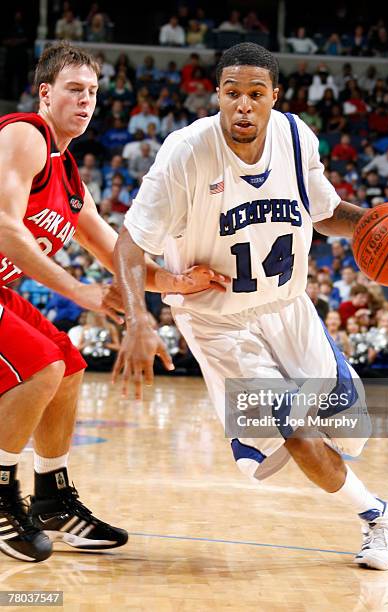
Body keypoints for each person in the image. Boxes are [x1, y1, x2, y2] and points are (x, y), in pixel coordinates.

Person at [114, 44, 388, 570]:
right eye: (232, 93)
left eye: (255, 94)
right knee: (287, 429)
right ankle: (376, 516)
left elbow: (326, 213)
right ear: (217, 95)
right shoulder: (186, 152)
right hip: (217, 321)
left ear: (274, 97)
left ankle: (360, 488)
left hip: (289, 308)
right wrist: (138, 319)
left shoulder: (295, 137)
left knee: (347, 430)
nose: (243, 105)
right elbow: (130, 244)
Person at [0, 41, 227, 563]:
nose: (86, 100)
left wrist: (180, 282)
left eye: (93, 92)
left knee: (71, 363)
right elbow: (7, 228)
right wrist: (75, 290)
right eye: (74, 89)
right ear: (45, 92)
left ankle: (53, 498)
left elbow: (115, 258)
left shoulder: (69, 177)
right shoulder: (24, 134)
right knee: (42, 367)